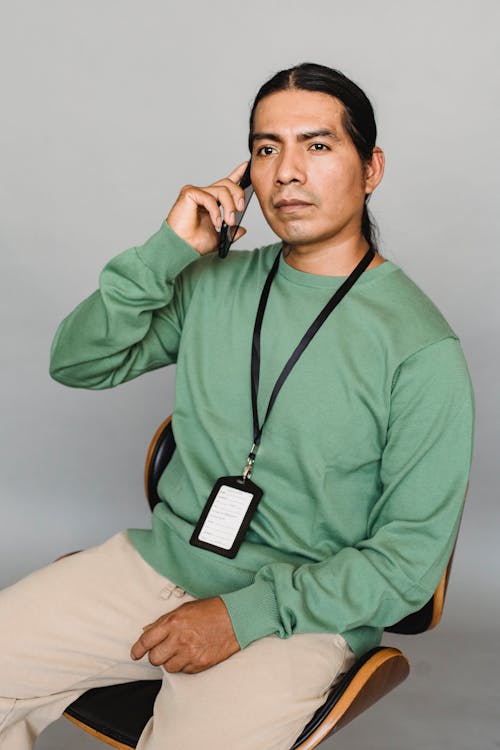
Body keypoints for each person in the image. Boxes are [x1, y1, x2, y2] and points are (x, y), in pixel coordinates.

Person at [0, 63, 473, 750]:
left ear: (370, 169)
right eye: (264, 148)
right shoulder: (212, 283)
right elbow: (76, 361)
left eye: (317, 145)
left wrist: (240, 614)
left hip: (299, 615)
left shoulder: (421, 349)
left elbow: (406, 566)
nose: (285, 172)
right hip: (161, 567)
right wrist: (166, 252)